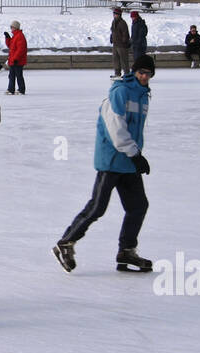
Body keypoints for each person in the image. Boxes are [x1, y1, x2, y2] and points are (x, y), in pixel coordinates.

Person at [54, 55, 155, 274]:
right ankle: (66, 242)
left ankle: (126, 250)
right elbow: (116, 130)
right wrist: (135, 154)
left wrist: (135, 156)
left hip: (128, 161)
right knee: (97, 207)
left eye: (148, 73)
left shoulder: (143, 96)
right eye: (141, 72)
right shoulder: (120, 92)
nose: (145, 76)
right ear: (134, 72)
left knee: (138, 206)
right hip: (111, 160)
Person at [4, 20, 27, 96]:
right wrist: (7, 38)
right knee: (11, 75)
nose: (11, 28)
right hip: (13, 60)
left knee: (19, 75)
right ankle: (11, 89)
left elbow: (21, 49)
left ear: (15, 27)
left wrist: (16, 58)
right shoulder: (15, 36)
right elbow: (10, 46)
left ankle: (21, 89)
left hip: (18, 61)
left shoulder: (20, 36)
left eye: (12, 27)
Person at [110, 7, 131, 78]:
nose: (114, 15)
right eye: (114, 14)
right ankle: (117, 73)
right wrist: (111, 37)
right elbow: (112, 31)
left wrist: (124, 42)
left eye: (116, 14)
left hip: (122, 45)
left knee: (124, 60)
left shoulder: (122, 23)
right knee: (115, 59)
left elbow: (126, 34)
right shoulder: (113, 22)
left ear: (119, 15)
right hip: (115, 44)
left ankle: (127, 74)